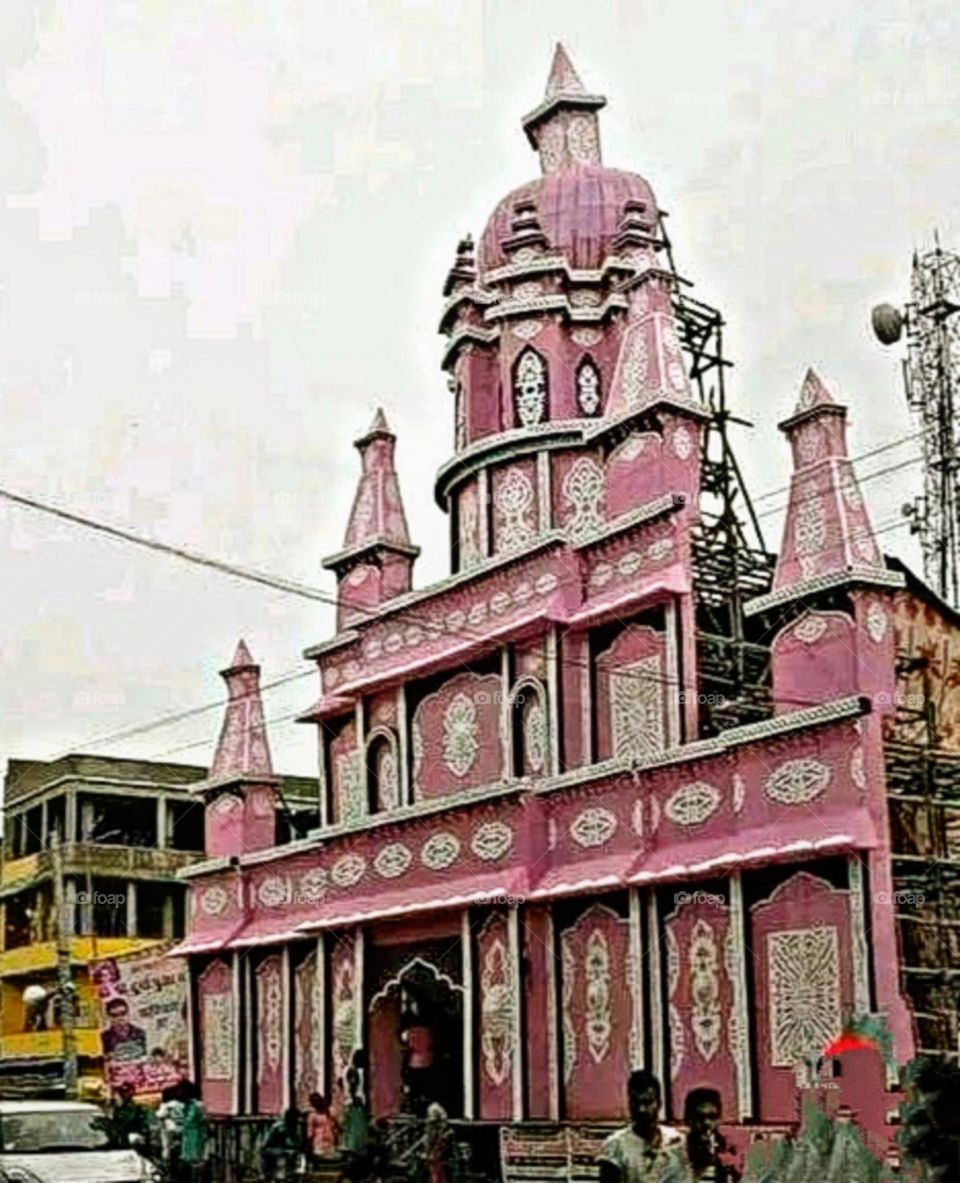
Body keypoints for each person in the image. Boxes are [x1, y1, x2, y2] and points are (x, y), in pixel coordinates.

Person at [598, 1070, 684, 1183]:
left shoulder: (676, 1141)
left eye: (647, 1103)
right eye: (635, 1103)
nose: (641, 1109)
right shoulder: (615, 1145)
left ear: (659, 1104)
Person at [673, 1089, 739, 1182]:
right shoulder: (675, 1154)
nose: (706, 1123)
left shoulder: (729, 1152)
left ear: (719, 1119)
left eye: (712, 1117)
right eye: (699, 1117)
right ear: (688, 1119)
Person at [106, 1082, 153, 1153]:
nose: (125, 1094)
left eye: (127, 1091)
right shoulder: (117, 1108)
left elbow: (141, 1126)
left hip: (132, 1142)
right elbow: (113, 1124)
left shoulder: (136, 1108)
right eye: (123, 1092)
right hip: (118, 1143)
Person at [179, 1080, 210, 1183]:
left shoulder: (198, 1106)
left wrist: (204, 1153)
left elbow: (204, 1127)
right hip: (187, 1148)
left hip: (197, 1148)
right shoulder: (185, 1107)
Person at [261, 1108, 305, 1180]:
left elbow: (295, 1142)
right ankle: (281, 1176)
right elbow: (267, 1143)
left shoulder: (293, 1127)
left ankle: (294, 1173)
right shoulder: (279, 1127)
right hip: (272, 1149)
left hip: (284, 1150)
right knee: (284, 1157)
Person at [156, 1084, 185, 1178]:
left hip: (169, 1133)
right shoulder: (182, 1104)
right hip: (182, 1130)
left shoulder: (166, 1105)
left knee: (167, 1150)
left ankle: (169, 1172)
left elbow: (159, 1115)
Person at [307, 1092, 339, 1163]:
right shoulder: (312, 1116)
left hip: (329, 1143)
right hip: (319, 1144)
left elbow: (336, 1127)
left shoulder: (330, 1112)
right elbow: (310, 1133)